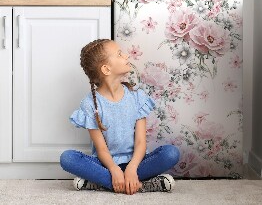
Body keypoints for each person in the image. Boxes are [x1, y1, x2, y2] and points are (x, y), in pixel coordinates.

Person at [60, 39, 180, 195]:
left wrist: (132, 168)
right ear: (106, 69)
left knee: (171, 153)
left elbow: (140, 142)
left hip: (137, 162)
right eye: (119, 54)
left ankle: (104, 183)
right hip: (106, 164)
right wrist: (114, 169)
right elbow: (102, 149)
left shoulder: (136, 96)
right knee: (67, 158)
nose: (127, 55)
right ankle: (141, 185)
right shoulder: (90, 104)